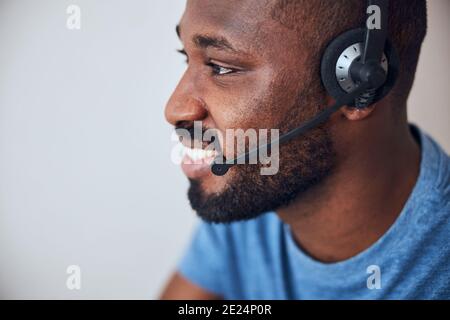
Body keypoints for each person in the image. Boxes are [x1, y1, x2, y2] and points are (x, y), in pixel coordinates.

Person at [161, 0, 450, 299]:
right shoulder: (252, 190)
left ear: (358, 85)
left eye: (222, 67)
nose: (174, 109)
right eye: (186, 57)